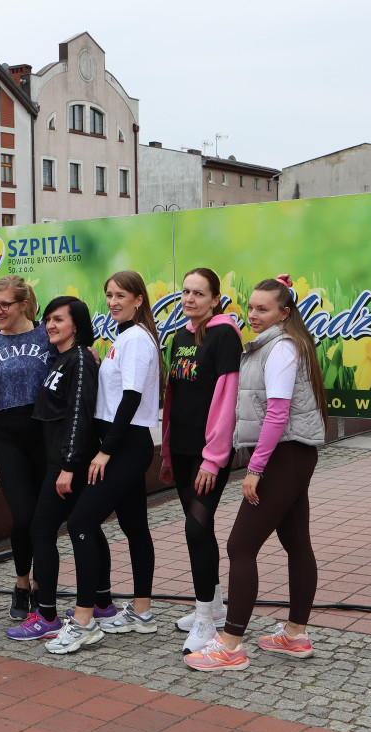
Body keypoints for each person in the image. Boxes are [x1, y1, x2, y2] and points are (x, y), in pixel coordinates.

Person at [185, 274, 328, 672]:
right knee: (296, 541)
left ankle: (230, 644)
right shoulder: (276, 344)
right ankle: (295, 634)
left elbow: (278, 413)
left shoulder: (281, 347)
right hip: (293, 455)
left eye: (263, 309)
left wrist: (256, 469)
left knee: (239, 546)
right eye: (250, 307)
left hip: (284, 456)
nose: (253, 315)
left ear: (284, 312)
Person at [46, 270, 162, 654]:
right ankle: (142, 612)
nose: (113, 301)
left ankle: (83, 620)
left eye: (121, 295)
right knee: (133, 525)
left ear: (139, 299)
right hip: (124, 440)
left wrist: (106, 450)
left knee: (80, 522)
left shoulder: (136, 340)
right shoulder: (124, 338)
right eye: (109, 294)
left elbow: (130, 399)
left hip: (124, 443)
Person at [159, 268, 243, 654]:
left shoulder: (224, 334)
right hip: (182, 448)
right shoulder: (179, 336)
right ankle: (216, 606)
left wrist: (213, 459)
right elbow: (173, 397)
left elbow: (227, 398)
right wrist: (166, 448)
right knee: (201, 531)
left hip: (210, 454)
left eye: (199, 293)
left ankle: (206, 621)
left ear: (215, 299)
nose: (190, 299)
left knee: (196, 529)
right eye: (185, 292)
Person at [7, 297, 99, 641]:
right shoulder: (63, 357)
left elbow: (79, 415)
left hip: (64, 464)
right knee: (84, 530)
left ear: (76, 324)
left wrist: (68, 466)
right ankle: (100, 604)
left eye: (59, 319)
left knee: (41, 531)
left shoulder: (78, 359)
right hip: (59, 460)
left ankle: (47, 615)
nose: (50, 325)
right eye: (47, 319)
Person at [0, 277, 53, 619]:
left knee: (43, 517)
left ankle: (41, 586)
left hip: (45, 435)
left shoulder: (46, 335)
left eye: (4, 304)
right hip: (7, 436)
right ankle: (22, 582)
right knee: (22, 515)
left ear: (24, 304)